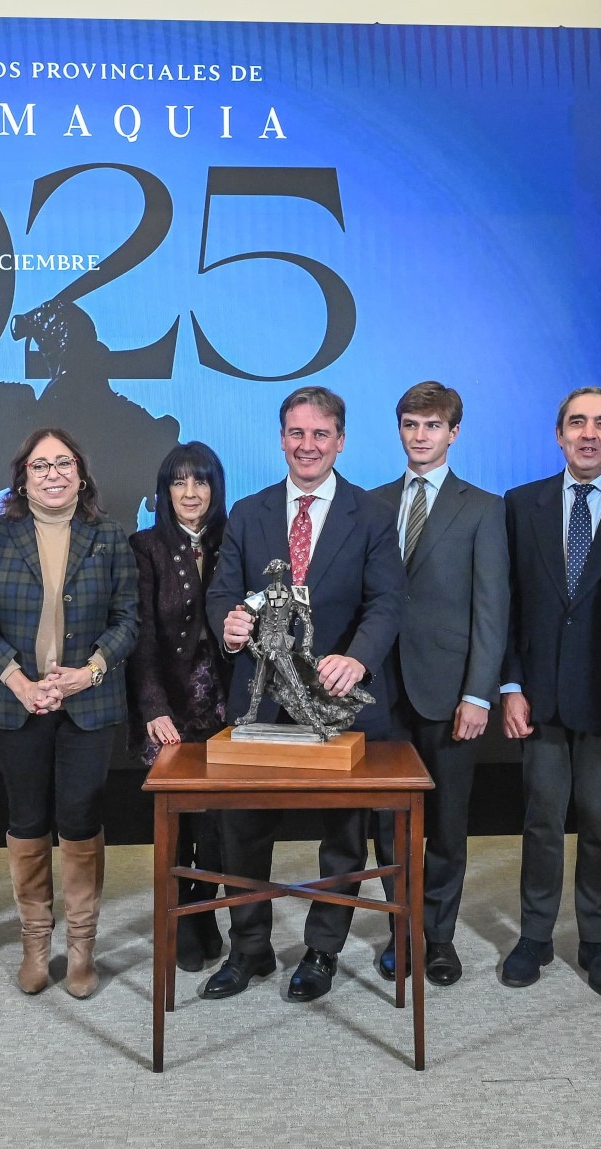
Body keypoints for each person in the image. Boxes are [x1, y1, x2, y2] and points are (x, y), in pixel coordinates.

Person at [203, 385, 405, 1003]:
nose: (307, 445)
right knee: (243, 830)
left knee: (343, 836)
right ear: (281, 439)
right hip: (259, 697)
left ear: (340, 441)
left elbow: (386, 601)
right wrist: (228, 625)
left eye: (320, 434)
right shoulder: (250, 511)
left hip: (334, 701)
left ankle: (322, 951)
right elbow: (223, 594)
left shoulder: (372, 514)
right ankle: (249, 949)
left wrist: (358, 657)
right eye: (297, 433)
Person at [0, 428, 138, 999]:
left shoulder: (109, 535)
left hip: (90, 703)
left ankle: (82, 947)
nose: (53, 474)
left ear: (81, 475)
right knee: (27, 819)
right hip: (17, 703)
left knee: (81, 818)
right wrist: (18, 681)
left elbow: (128, 620)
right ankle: (36, 944)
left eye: (64, 463)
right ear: (23, 479)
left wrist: (91, 671)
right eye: (40, 466)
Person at [499, 387, 601, 996]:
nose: (589, 434)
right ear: (559, 434)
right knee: (540, 820)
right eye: (577, 423)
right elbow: (506, 603)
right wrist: (510, 683)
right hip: (538, 696)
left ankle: (595, 941)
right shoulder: (521, 503)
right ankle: (535, 936)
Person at [368, 381, 507, 987]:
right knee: (386, 819)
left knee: (447, 821)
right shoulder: (371, 503)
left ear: (453, 433)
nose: (419, 435)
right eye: (410, 424)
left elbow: (492, 610)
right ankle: (401, 929)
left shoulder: (483, 508)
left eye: (431, 425)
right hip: (378, 690)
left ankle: (440, 936)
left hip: (450, 693)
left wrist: (479, 693)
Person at [128, 441, 232, 972]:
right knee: (177, 825)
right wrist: (153, 708)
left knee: (217, 827)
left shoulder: (235, 538)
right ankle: (181, 920)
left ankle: (202, 912)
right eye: (179, 482)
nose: (190, 493)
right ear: (164, 491)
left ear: (216, 488)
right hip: (168, 705)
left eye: (201, 481)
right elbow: (141, 637)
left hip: (225, 707)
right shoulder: (144, 547)